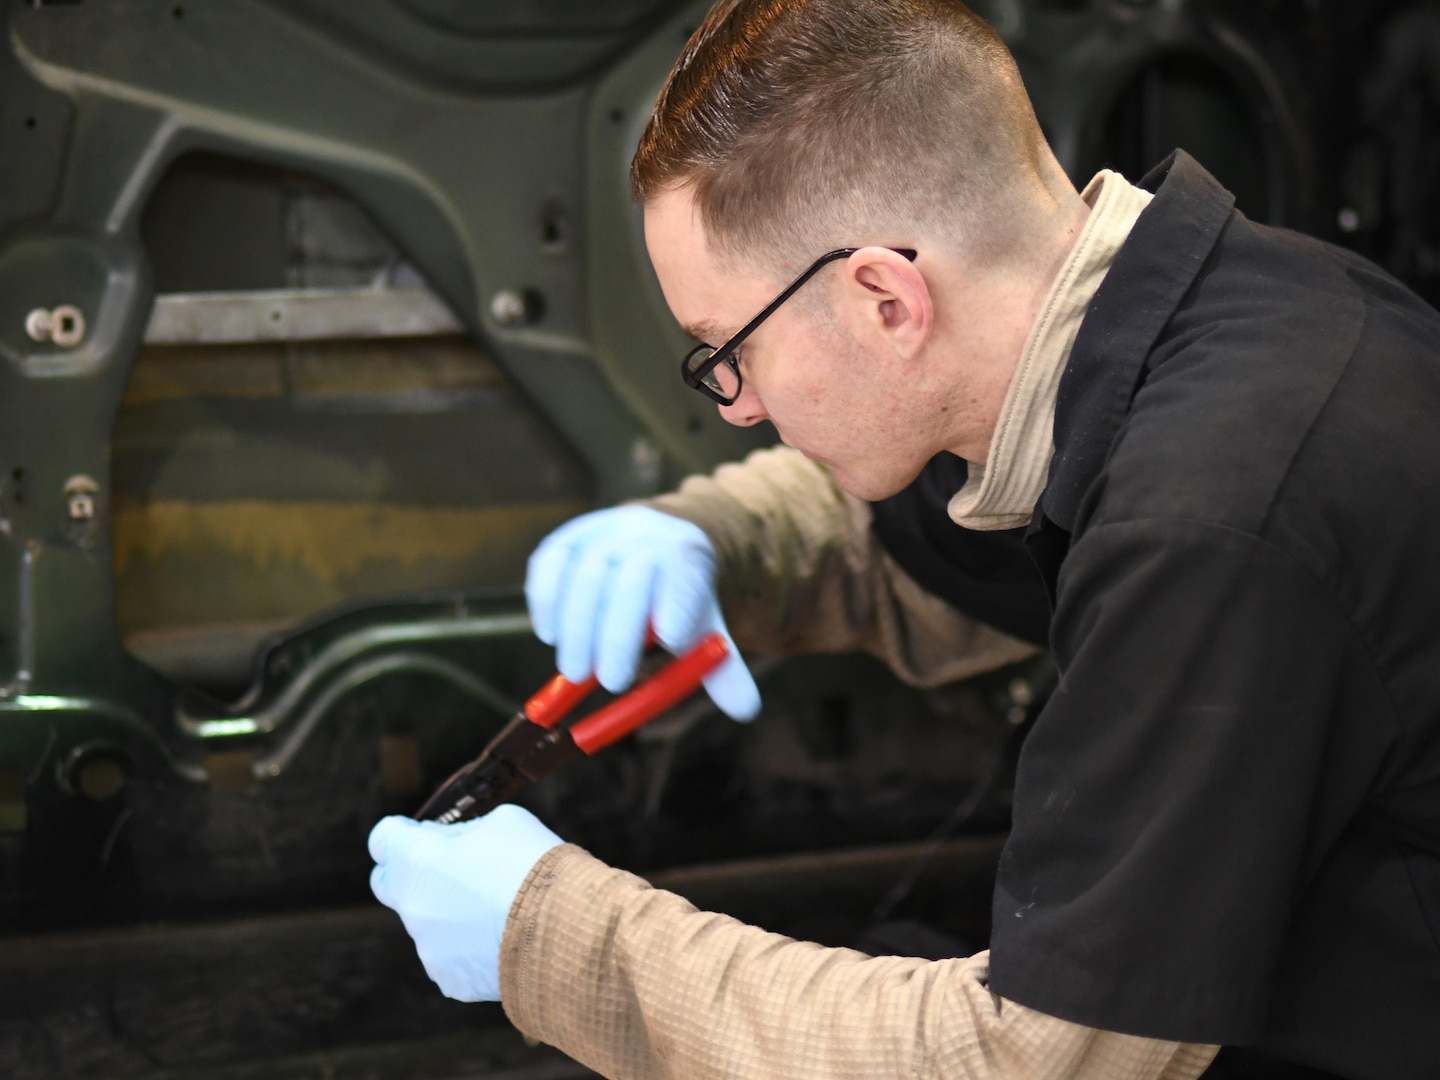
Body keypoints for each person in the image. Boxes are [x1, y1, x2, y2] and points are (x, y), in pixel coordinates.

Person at [365, 1, 1440, 1077]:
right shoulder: (1233, 313)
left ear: (885, 299)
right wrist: (712, 538)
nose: (732, 405)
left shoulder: (1208, 522)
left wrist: (552, 938)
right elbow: (959, 544)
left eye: (723, 349)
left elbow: (1023, 1063)